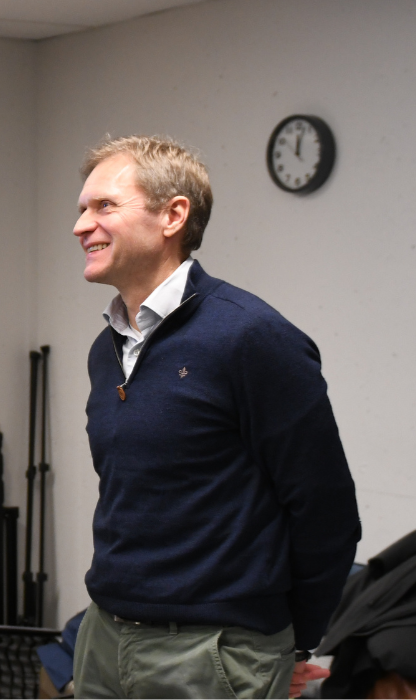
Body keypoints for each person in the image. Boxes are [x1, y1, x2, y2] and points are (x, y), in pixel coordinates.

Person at [67, 135, 361, 699]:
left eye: (104, 206)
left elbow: (324, 507)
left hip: (215, 651)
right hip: (105, 635)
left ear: (173, 214)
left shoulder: (251, 338)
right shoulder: (106, 350)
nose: (82, 225)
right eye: (82, 209)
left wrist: (291, 639)